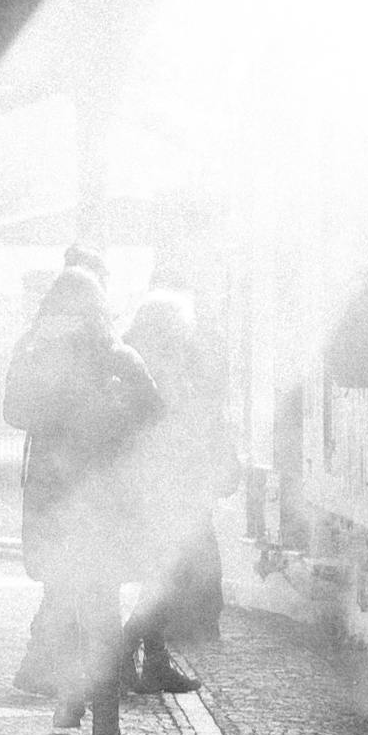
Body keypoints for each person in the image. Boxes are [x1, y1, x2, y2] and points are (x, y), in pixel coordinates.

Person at [0, 258, 161, 735]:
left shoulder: (39, 353)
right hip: (109, 498)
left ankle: (72, 703)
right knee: (102, 605)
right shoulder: (121, 355)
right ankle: (103, 713)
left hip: (57, 497)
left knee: (69, 599)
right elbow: (155, 416)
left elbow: (13, 411)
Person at [122, 261, 232, 691]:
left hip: (165, 486)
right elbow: (174, 429)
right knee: (166, 576)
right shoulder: (159, 369)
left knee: (163, 577)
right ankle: (128, 650)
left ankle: (151, 661)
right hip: (162, 490)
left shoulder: (157, 362)